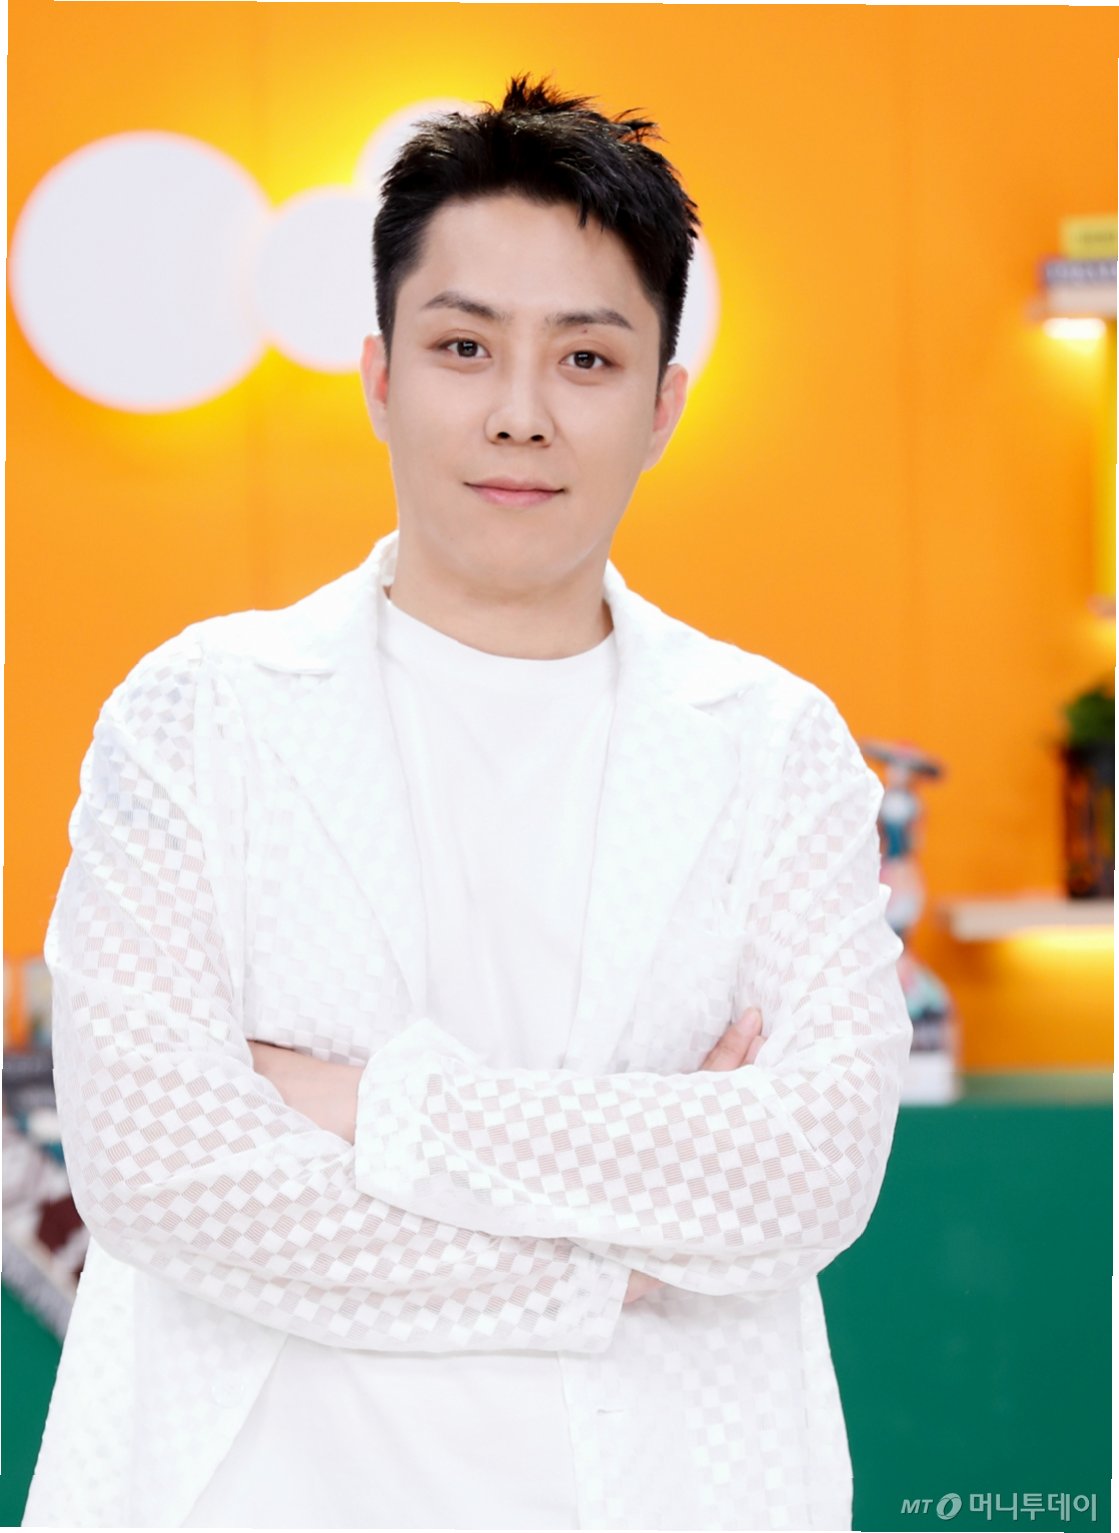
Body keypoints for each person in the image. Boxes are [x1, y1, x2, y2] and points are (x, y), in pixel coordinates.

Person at [22, 72, 912, 1531]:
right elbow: (163, 1177)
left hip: (664, 1487)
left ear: (663, 403)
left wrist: (371, 1104)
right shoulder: (196, 713)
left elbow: (807, 1171)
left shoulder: (773, 746)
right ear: (380, 376)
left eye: (586, 359)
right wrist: (609, 1259)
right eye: (462, 346)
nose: (518, 414)